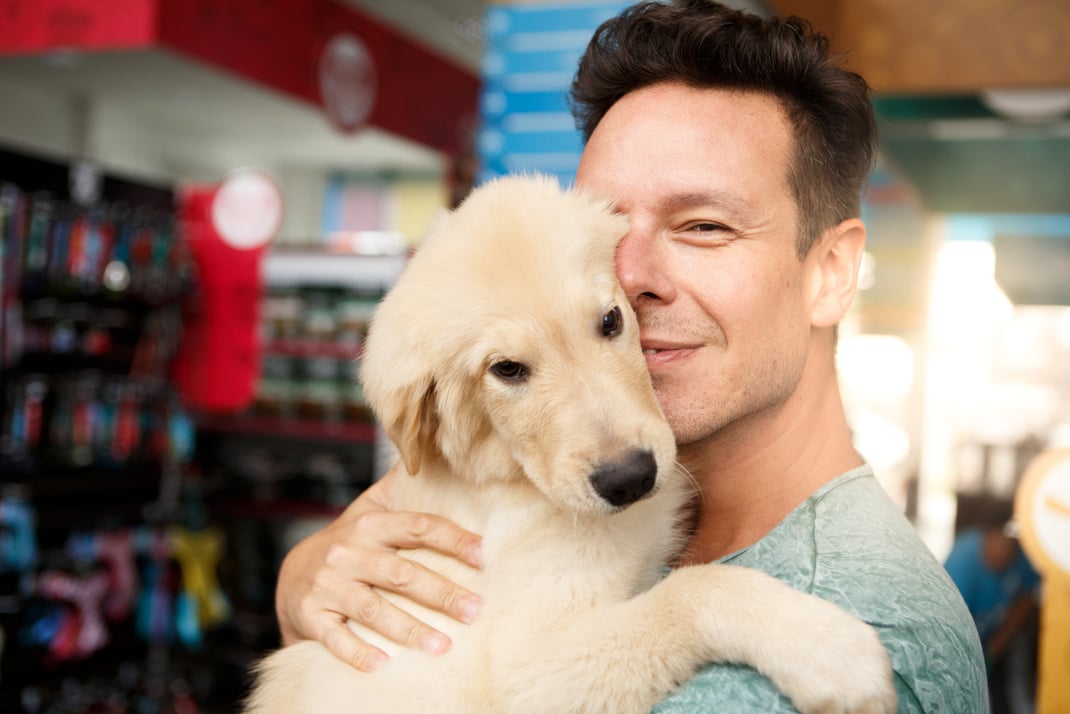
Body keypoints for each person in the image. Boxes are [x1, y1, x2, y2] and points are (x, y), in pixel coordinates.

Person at [274, 1, 988, 710]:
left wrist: (704, 609)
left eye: (705, 225)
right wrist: (310, 576)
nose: (632, 275)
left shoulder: (833, 644)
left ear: (831, 272)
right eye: (612, 224)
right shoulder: (655, 517)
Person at [945, 515, 1040, 714]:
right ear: (986, 536)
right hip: (956, 640)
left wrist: (999, 641)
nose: (1003, 555)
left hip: (994, 638)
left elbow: (1027, 599)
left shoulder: (1022, 557)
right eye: (999, 545)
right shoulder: (963, 560)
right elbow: (947, 625)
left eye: (1010, 547)